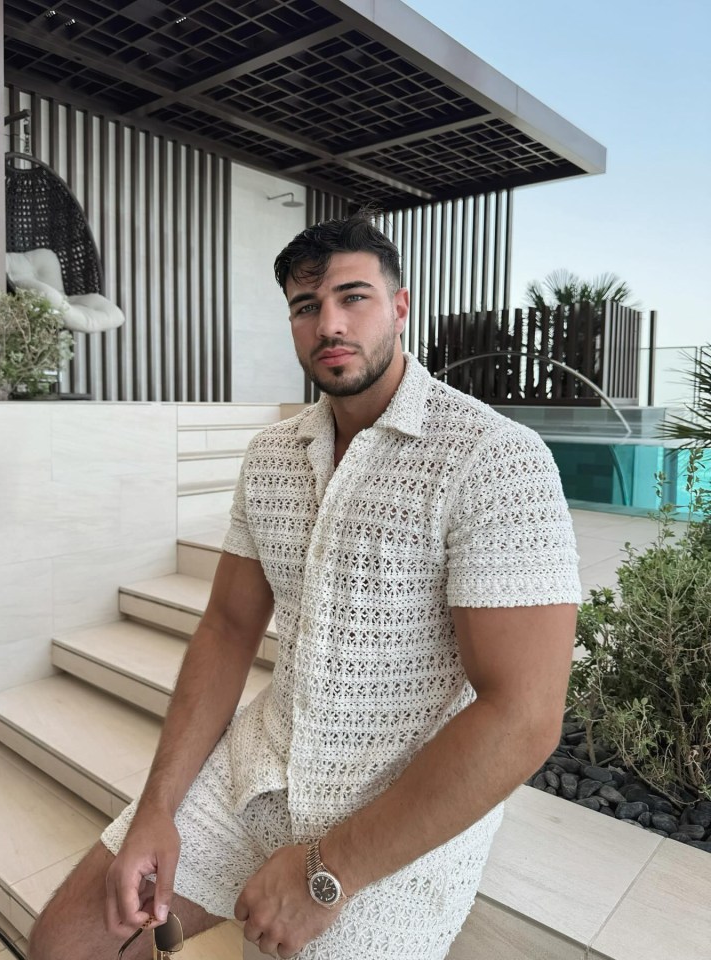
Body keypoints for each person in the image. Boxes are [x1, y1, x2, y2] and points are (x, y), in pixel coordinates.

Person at [28, 213, 580, 960]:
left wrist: (329, 872)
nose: (330, 324)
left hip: (394, 814)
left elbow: (524, 715)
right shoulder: (272, 456)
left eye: (354, 297)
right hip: (258, 768)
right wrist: (156, 808)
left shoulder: (494, 459)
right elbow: (226, 627)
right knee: (69, 943)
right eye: (305, 305)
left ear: (400, 307)